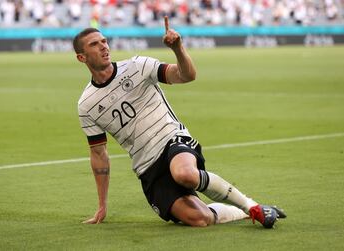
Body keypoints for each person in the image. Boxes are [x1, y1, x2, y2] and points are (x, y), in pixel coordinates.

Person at [74, 16, 286, 228]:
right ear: (82, 57)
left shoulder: (137, 66)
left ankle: (252, 207)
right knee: (200, 219)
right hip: (147, 167)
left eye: (104, 41)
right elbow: (99, 155)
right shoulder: (87, 105)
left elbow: (187, 75)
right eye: (95, 44)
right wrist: (102, 205)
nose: (104, 46)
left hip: (172, 140)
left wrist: (178, 48)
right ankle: (244, 211)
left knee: (185, 174)